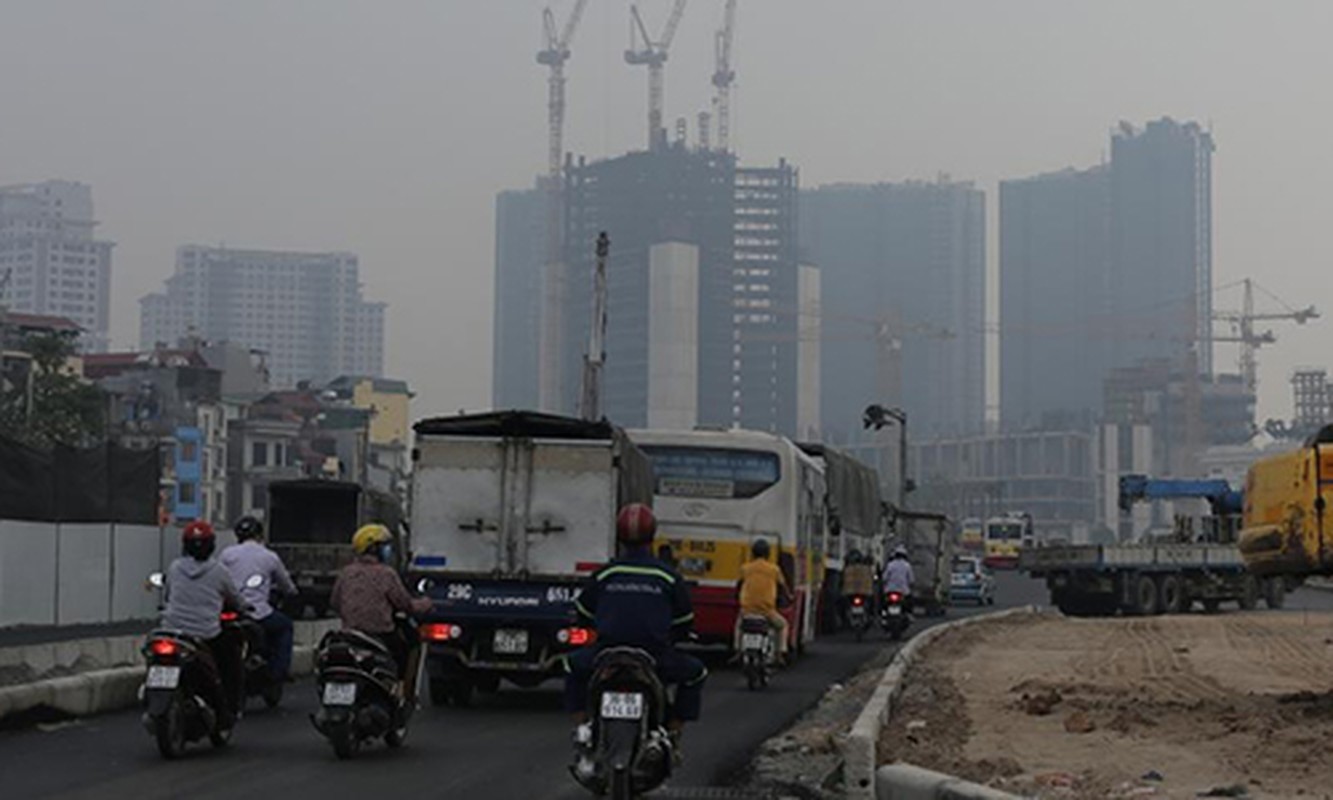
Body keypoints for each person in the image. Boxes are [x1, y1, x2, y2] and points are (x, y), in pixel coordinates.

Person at [563, 503, 708, 746]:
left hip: (606, 654)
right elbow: (684, 620)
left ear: (619, 536)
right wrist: (676, 635)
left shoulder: (605, 574)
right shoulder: (668, 577)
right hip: (654, 656)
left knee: (570, 666)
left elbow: (583, 613)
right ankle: (672, 733)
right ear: (652, 536)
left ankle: (581, 728)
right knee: (696, 673)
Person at [161, 520, 245, 729]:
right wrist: (245, 607)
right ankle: (227, 709)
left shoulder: (174, 567)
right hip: (206, 634)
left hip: (171, 631)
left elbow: (168, 595)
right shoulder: (219, 571)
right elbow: (235, 600)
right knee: (230, 661)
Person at [329, 523, 432, 683]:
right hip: (381, 635)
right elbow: (405, 604)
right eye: (385, 546)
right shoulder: (386, 574)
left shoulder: (346, 573)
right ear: (374, 549)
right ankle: (401, 690)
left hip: (349, 634)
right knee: (406, 651)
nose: (388, 550)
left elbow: (335, 603)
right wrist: (425, 603)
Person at [220, 515, 297, 682]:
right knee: (285, 626)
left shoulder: (227, 554)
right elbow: (287, 586)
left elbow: (219, 578)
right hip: (258, 613)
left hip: (229, 610)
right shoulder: (269, 556)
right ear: (260, 535)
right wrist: (291, 592)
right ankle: (279, 672)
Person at [734, 538, 790, 663]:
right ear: (768, 554)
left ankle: (738, 651)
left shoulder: (745, 568)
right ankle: (780, 653)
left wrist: (737, 599)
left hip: (747, 610)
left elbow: (739, 586)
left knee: (739, 626)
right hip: (767, 611)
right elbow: (782, 587)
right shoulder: (774, 569)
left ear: (753, 553)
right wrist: (789, 598)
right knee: (783, 625)